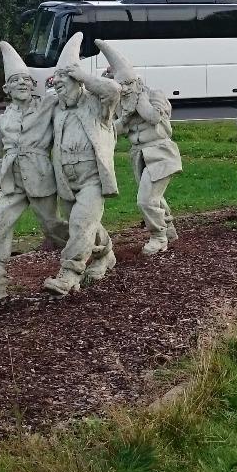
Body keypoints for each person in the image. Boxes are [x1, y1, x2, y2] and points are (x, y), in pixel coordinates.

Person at [0, 41, 69, 311]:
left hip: (39, 176)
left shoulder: (46, 105)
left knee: (52, 226)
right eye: (16, 81)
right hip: (11, 181)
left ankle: (89, 252)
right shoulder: (4, 120)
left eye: (27, 80)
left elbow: (69, 94)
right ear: (7, 89)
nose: (23, 84)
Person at [42, 32, 121, 295]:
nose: (59, 85)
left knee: (79, 223)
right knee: (87, 223)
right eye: (57, 81)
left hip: (92, 179)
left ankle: (69, 273)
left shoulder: (97, 107)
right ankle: (105, 253)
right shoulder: (58, 110)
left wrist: (83, 76)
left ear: (77, 81)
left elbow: (114, 90)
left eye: (65, 80)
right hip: (66, 179)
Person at [98, 39, 182, 255]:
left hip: (160, 152)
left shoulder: (153, 95)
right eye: (121, 86)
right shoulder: (123, 105)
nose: (124, 90)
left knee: (146, 200)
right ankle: (169, 228)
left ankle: (159, 237)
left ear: (137, 82)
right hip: (139, 155)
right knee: (155, 196)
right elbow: (116, 130)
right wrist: (122, 117)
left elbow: (154, 117)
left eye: (128, 84)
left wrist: (139, 100)